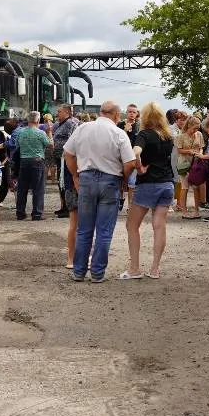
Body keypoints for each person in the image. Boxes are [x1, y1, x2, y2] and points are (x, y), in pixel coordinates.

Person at [63, 101, 136, 283]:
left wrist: (75, 176)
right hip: (110, 181)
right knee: (104, 230)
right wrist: (124, 181)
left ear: (102, 112)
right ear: (117, 115)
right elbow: (130, 163)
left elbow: (68, 153)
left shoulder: (83, 128)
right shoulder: (119, 133)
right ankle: (97, 273)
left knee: (84, 229)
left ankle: (79, 272)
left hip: (86, 179)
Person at [119, 102, 175, 280]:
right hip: (167, 184)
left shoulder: (144, 134)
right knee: (159, 226)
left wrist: (139, 166)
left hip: (148, 183)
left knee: (132, 225)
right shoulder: (168, 136)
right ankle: (155, 269)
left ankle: (134, 268)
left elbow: (136, 150)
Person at [15, 111, 53, 221]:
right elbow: (50, 145)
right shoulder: (40, 133)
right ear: (37, 120)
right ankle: (37, 214)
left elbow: (17, 145)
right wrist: (49, 132)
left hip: (24, 161)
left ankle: (20, 213)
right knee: (38, 188)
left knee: (22, 188)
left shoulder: (20, 132)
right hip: (37, 160)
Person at [52, 104, 80, 219]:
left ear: (67, 112)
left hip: (67, 158)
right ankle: (64, 206)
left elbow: (72, 139)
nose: (57, 114)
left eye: (59, 111)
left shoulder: (72, 123)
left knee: (68, 183)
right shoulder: (59, 124)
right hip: (59, 158)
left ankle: (70, 208)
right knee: (61, 183)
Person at [175, 116, 206, 218]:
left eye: (197, 128)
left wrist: (200, 154)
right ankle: (184, 211)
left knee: (196, 186)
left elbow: (201, 147)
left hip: (196, 164)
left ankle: (197, 211)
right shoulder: (180, 136)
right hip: (184, 164)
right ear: (189, 125)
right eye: (194, 128)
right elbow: (179, 150)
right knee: (185, 187)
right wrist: (189, 151)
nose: (196, 130)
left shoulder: (199, 134)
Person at [118, 104, 140, 209]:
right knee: (121, 180)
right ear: (126, 113)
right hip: (121, 156)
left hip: (133, 157)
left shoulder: (139, 126)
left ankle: (130, 207)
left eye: (134, 112)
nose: (131, 114)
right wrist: (125, 131)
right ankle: (120, 200)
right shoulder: (120, 124)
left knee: (132, 183)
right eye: (130, 112)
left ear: (137, 114)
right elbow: (116, 139)